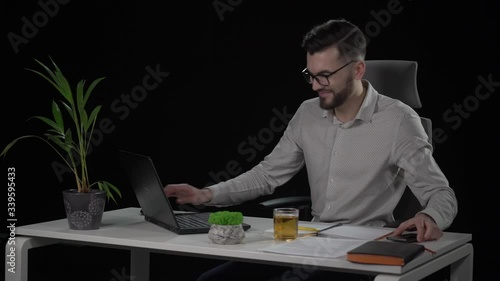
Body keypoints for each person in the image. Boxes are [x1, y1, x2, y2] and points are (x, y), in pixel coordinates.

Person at [164, 18, 458, 281]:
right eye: (311, 75)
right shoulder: (308, 113)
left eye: (325, 75)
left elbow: (441, 194)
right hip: (310, 241)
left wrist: (429, 217)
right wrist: (206, 195)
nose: (315, 86)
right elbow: (267, 175)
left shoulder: (399, 120)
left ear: (357, 69)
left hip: (360, 252)